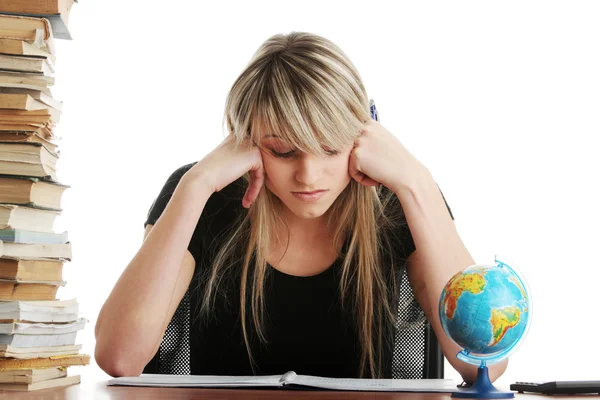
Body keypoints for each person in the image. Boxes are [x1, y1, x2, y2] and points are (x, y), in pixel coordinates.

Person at [95, 32, 507, 381]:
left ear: (364, 134)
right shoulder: (204, 196)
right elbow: (119, 358)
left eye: (329, 147)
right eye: (283, 151)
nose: (308, 175)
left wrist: (415, 180)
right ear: (247, 140)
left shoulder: (398, 199)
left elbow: (486, 362)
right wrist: (195, 183)